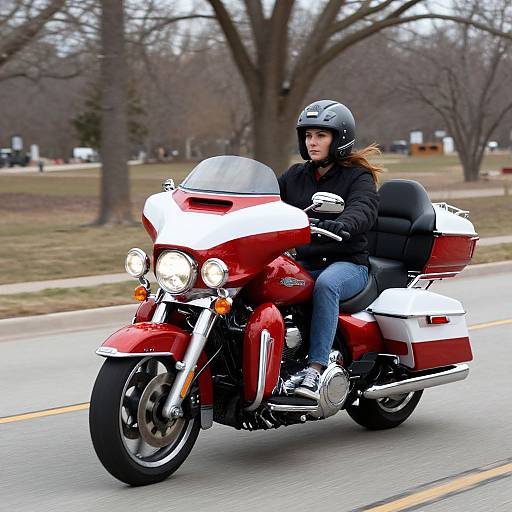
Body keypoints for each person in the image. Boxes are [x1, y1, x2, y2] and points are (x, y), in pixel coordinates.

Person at [278, 99, 382, 401]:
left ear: (339, 138)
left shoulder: (357, 177)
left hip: (348, 263)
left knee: (326, 285)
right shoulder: (295, 176)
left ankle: (315, 367)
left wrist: (344, 223)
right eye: (309, 135)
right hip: (306, 260)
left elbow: (364, 208)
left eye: (321, 135)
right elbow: (265, 199)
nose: (313, 142)